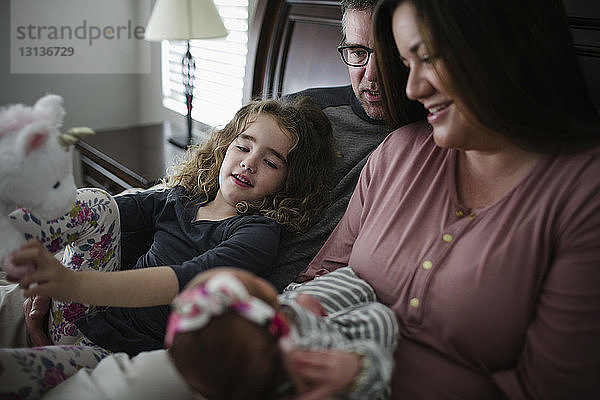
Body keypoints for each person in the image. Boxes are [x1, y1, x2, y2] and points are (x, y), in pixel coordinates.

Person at [295, 0, 600, 399]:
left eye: (429, 59)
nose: (411, 89)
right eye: (407, 63)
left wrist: (366, 374)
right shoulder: (398, 152)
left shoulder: (585, 192)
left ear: (504, 47)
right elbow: (318, 280)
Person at [0, 96, 335, 398]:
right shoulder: (179, 199)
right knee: (102, 204)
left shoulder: (257, 234)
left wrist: (70, 283)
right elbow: (104, 215)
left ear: (289, 184)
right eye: (244, 147)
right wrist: (54, 273)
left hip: (117, 351)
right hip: (81, 313)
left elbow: (185, 281)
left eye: (271, 163)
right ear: (224, 147)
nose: (249, 163)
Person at [41, 267, 398, 400]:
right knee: (369, 302)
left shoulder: (222, 374)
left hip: (278, 325)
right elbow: (379, 334)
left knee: (314, 293)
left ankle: (295, 298)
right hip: (334, 339)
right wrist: (358, 369)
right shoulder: (312, 360)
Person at [267, 0, 426, 291]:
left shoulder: (436, 138)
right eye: (357, 52)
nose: (372, 75)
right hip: (233, 274)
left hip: (326, 302)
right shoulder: (300, 113)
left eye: (388, 53)